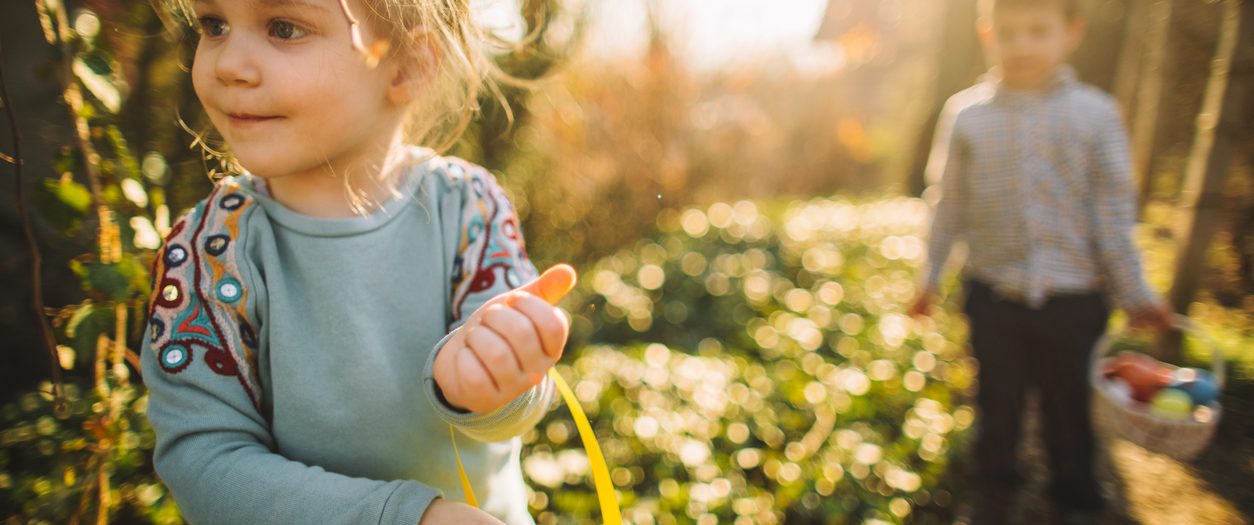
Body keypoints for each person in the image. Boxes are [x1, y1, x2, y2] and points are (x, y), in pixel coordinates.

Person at [141, 0, 573, 523]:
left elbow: (522, 401)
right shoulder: (211, 250)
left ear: (406, 67)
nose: (228, 63)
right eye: (214, 25)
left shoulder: (468, 207)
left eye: (283, 28)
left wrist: (494, 382)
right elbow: (204, 464)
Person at [909, 0, 1173, 523]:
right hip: (994, 297)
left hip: (1075, 301)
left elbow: (1113, 214)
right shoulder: (967, 115)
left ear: (1070, 33)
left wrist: (1135, 294)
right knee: (996, 405)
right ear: (988, 34)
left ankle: (1074, 496)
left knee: (1070, 407)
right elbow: (948, 203)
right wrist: (930, 277)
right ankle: (993, 491)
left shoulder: (1096, 114)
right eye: (1008, 33)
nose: (1022, 45)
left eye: (1038, 32)